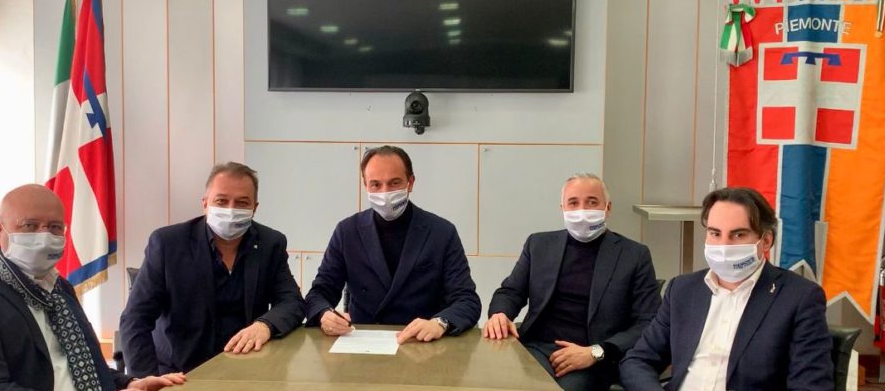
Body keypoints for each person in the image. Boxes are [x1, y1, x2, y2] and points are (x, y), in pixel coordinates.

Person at [0, 184, 185, 390]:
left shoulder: (58, 289)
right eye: (30, 225)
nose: (45, 236)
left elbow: (80, 366)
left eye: (55, 228)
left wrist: (127, 383)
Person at [620, 187, 833, 390]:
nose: (724, 245)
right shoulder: (682, 290)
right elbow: (638, 361)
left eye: (738, 235)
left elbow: (810, 386)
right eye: (715, 233)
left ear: (766, 240)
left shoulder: (799, 298)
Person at [120, 162, 305, 376]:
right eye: (221, 201)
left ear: (254, 208)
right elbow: (135, 319)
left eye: (242, 203)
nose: (231, 210)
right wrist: (146, 382)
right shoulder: (168, 244)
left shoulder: (270, 243)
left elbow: (292, 302)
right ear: (205, 204)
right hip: (180, 373)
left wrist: (264, 325)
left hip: (248, 370)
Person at [483, 173, 660, 390]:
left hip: (591, 356)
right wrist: (500, 314)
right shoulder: (539, 244)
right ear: (563, 208)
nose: (582, 210)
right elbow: (511, 292)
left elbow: (648, 321)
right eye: (573, 203)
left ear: (608, 208)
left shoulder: (634, 255)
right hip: (536, 347)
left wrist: (596, 352)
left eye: (592, 202)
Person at [304, 145, 481, 343]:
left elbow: (467, 300)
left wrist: (440, 323)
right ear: (365, 185)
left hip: (421, 344)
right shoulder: (347, 231)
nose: (385, 192)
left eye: (394, 183)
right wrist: (325, 314)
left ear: (410, 182)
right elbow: (318, 293)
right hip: (363, 344)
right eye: (375, 184)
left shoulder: (442, 232)